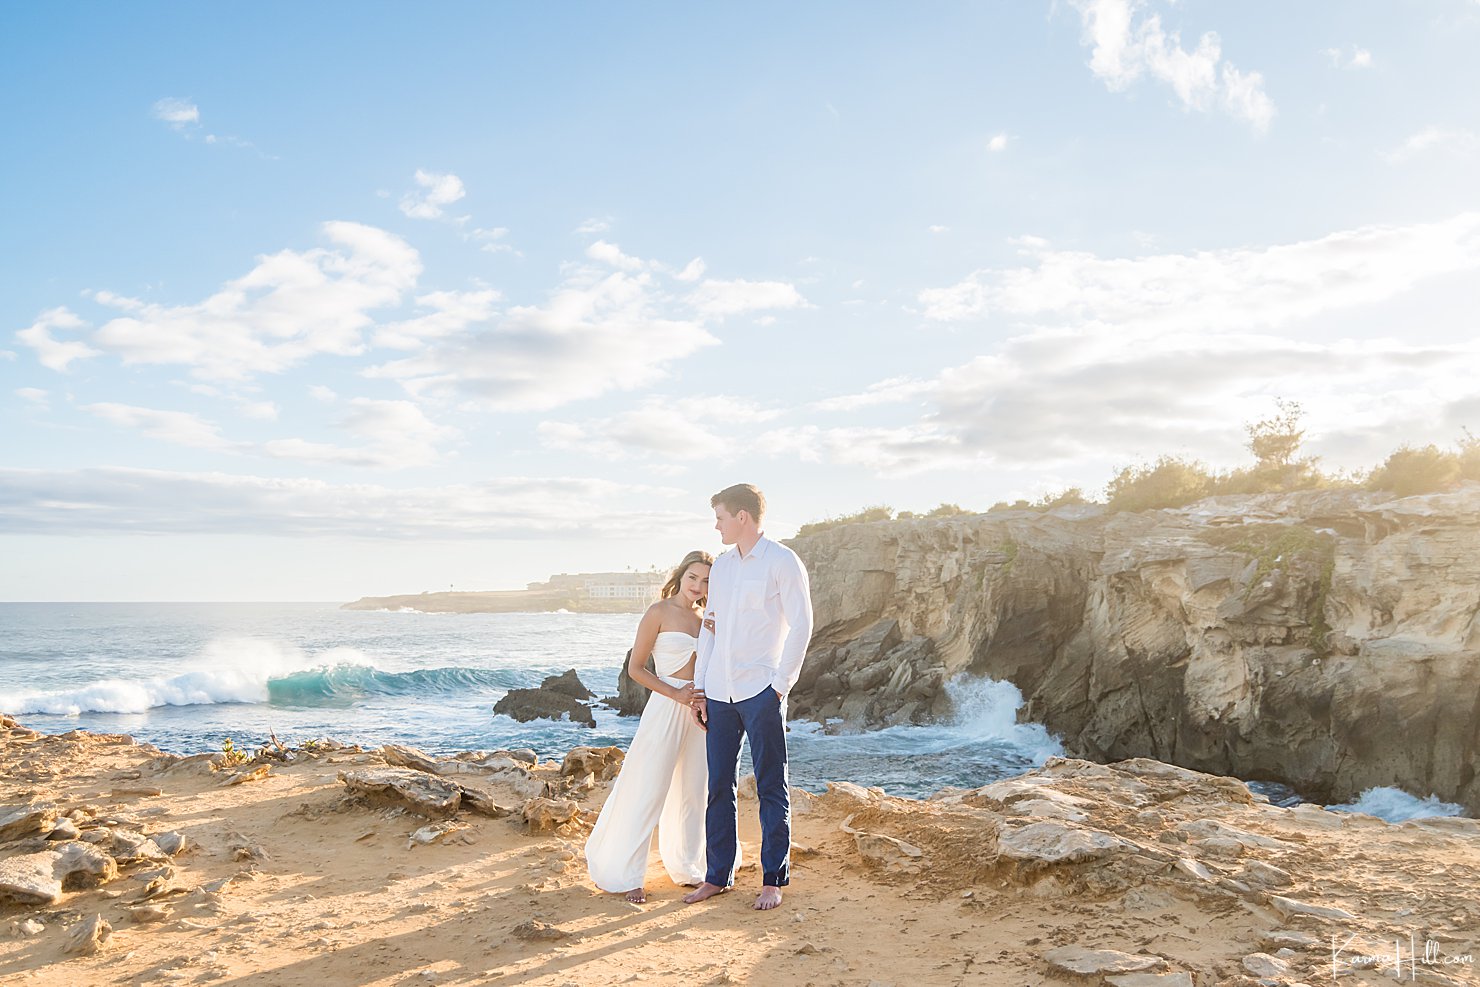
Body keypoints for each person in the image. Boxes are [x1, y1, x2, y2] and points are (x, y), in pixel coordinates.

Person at [684, 483, 814, 911]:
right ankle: (716, 876)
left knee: (770, 785)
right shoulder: (721, 567)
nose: (716, 524)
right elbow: (711, 627)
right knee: (718, 786)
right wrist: (700, 687)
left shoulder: (782, 561)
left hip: (761, 691)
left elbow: (802, 625)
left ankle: (773, 879)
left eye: (720, 516)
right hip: (719, 692)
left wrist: (780, 686)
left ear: (742, 517)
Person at [584, 550, 719, 904]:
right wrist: (675, 692)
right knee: (648, 788)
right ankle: (627, 874)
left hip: (700, 712)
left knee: (694, 790)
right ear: (681, 575)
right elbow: (637, 669)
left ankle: (688, 866)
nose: (698, 585)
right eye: (693, 577)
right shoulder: (658, 612)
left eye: (706, 580)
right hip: (665, 708)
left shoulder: (706, 617)